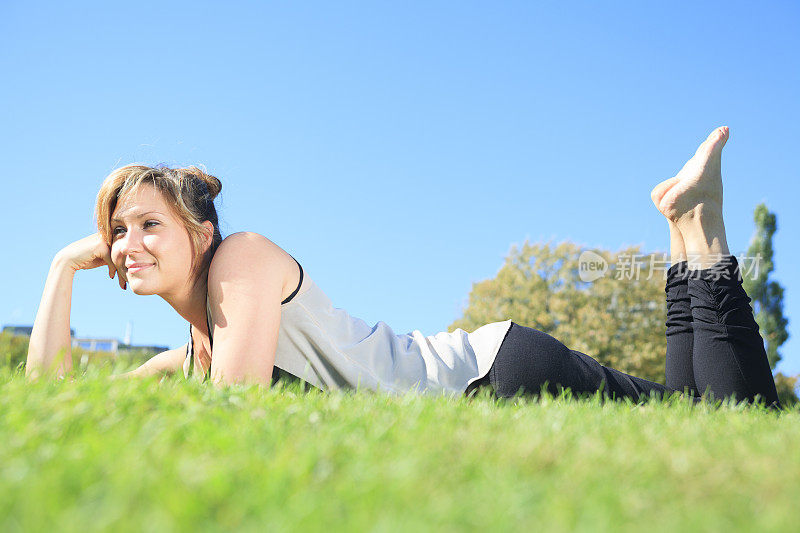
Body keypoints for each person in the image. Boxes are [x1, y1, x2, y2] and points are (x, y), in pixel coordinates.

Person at [25, 127, 781, 410]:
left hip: (489, 373)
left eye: (150, 224)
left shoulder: (243, 258)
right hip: (489, 373)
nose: (128, 244)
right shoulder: (196, 349)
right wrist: (63, 267)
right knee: (697, 411)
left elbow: (238, 409)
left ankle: (706, 229)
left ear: (202, 231)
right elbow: (53, 402)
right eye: (118, 232)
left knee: (740, 421)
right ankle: (690, 226)